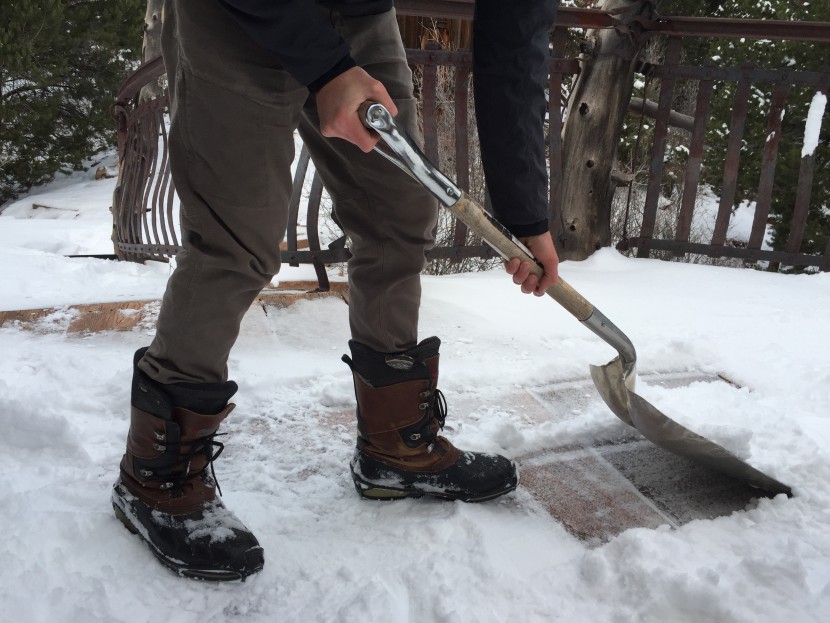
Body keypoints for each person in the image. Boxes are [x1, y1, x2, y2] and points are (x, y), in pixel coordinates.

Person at [111, 0, 560, 581]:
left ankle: (393, 448)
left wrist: (526, 218)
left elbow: (514, 48)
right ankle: (155, 476)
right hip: (233, 17)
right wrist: (326, 69)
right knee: (236, 241)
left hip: (359, 13)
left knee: (398, 212)